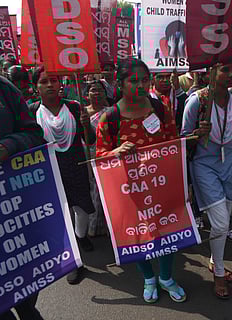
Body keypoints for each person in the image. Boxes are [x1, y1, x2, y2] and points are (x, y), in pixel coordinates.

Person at [96, 58, 187, 304]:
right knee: (135, 235)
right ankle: (148, 277)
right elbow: (100, 158)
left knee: (168, 230)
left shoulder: (160, 109)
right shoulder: (110, 118)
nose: (140, 85)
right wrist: (115, 153)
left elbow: (172, 143)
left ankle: (166, 277)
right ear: (120, 84)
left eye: (144, 80)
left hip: (161, 186)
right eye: (133, 81)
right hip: (129, 191)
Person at [29, 66, 97, 284]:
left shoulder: (75, 107)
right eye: (44, 81)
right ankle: (73, 261)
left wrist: (88, 126)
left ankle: (81, 236)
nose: (50, 85)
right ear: (36, 87)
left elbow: (91, 140)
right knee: (59, 214)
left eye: (54, 80)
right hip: (49, 171)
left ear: (61, 84)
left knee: (82, 209)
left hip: (76, 166)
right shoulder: (31, 112)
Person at [182, 63, 232, 300]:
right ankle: (218, 271)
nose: (229, 75)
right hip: (204, 165)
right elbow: (183, 139)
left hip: (231, 165)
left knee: (224, 220)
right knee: (219, 224)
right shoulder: (197, 101)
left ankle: (214, 260)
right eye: (224, 70)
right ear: (211, 73)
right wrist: (197, 134)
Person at [0, 76, 45, 320]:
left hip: (14, 214)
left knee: (26, 299)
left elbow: (34, 135)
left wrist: (9, 145)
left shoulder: (4, 89)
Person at [84, 80, 109, 237]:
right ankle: (90, 228)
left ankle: (105, 227)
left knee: (104, 190)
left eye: (100, 90)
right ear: (87, 95)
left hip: (105, 154)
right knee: (90, 189)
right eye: (93, 90)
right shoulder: (82, 113)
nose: (97, 93)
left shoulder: (110, 112)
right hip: (86, 154)